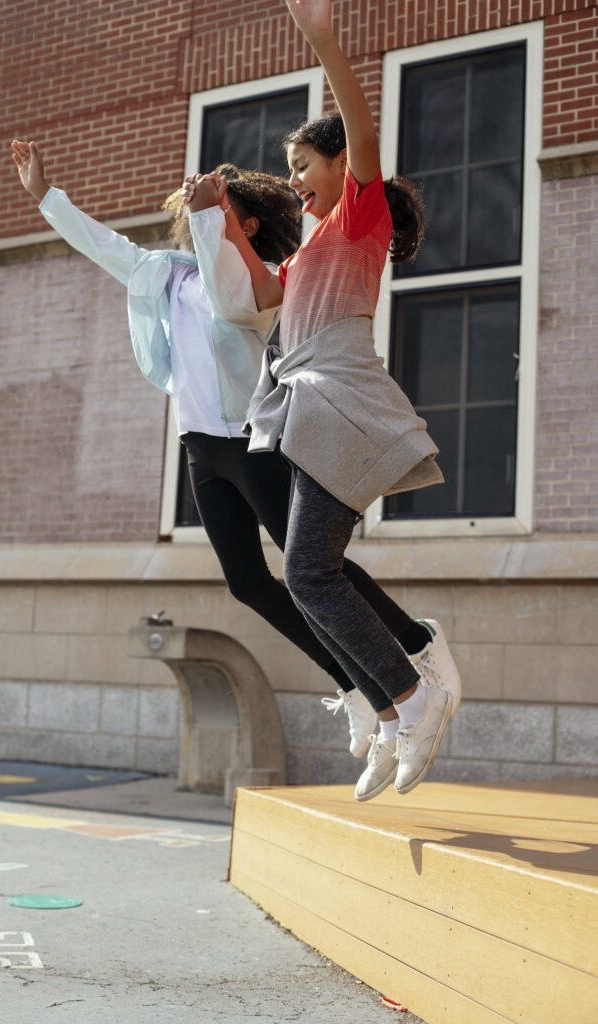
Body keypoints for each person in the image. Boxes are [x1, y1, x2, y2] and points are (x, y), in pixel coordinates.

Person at [9, 140, 442, 767]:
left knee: (312, 570)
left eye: (215, 208)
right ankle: (353, 681)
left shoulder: (248, 281)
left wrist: (215, 221)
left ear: (247, 224)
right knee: (247, 581)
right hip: (200, 448)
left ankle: (411, 642)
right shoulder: (167, 272)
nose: (197, 209)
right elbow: (108, 248)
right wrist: (46, 196)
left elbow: (228, 293)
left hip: (254, 440)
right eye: (196, 207)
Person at [182, 0, 462, 800]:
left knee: (306, 572)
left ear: (340, 167)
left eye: (304, 166)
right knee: (310, 570)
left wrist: (322, 39)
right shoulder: (309, 251)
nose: (296, 181)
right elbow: (267, 292)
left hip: (340, 399)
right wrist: (225, 226)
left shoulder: (358, 218)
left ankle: (410, 696)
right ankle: (399, 700)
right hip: (301, 409)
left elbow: (365, 135)